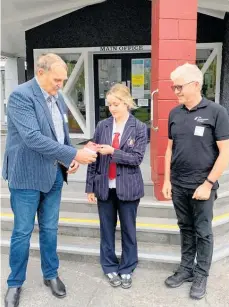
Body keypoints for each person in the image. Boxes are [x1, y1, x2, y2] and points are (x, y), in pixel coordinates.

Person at [2, 53, 97, 307]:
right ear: (40, 72)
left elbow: (59, 134)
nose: (61, 84)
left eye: (63, 80)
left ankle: (50, 274)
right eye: (57, 79)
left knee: (50, 228)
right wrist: (75, 152)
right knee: (22, 232)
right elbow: (33, 138)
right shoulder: (21, 96)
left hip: (54, 174)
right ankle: (14, 283)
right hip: (26, 176)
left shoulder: (57, 97)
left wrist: (69, 157)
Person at [162, 63, 229, 300]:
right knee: (185, 228)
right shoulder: (175, 113)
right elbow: (170, 150)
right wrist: (167, 181)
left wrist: (208, 183)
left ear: (196, 84)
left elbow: (225, 153)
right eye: (174, 86)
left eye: (179, 86)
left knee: (203, 231)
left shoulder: (216, 112)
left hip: (202, 185)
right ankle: (186, 269)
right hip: (178, 184)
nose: (175, 91)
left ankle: (201, 274)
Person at [86, 84, 147, 289]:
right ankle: (109, 266)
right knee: (107, 229)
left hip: (128, 187)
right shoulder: (102, 126)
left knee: (129, 230)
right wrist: (90, 187)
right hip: (104, 186)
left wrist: (113, 151)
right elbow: (93, 157)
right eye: (109, 104)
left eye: (116, 104)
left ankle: (127, 267)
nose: (112, 108)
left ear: (127, 103)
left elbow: (137, 158)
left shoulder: (138, 127)